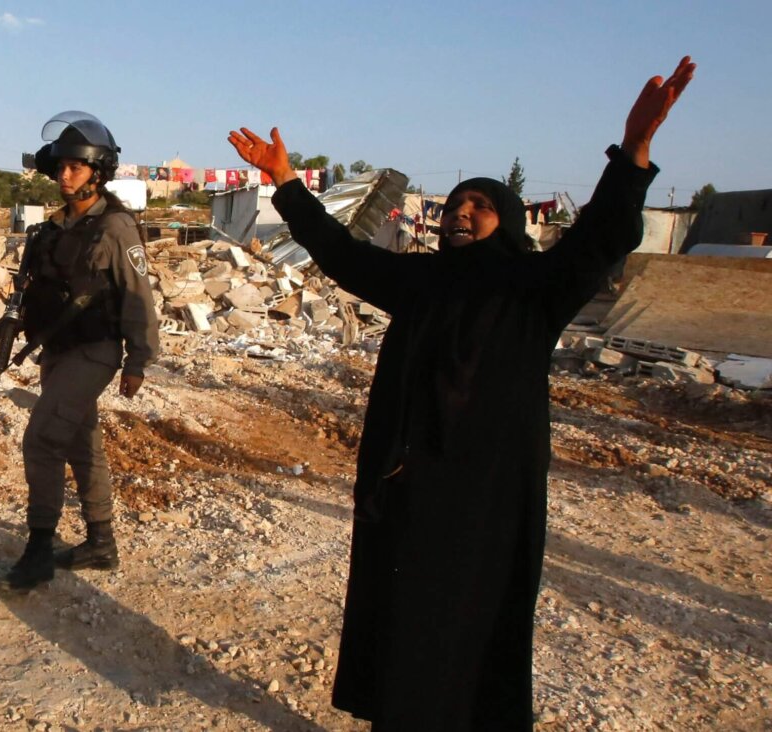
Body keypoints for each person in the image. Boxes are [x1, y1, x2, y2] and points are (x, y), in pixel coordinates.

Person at [229, 57, 694, 730]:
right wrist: (285, 183)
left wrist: (634, 150)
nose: (461, 212)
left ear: (504, 220)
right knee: (403, 617)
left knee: (470, 622)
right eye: (454, 204)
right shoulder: (420, 282)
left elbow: (602, 237)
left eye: (478, 205)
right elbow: (339, 250)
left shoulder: (536, 289)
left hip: (486, 498)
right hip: (407, 483)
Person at [0, 111, 159, 591]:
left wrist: (139, 359)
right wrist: (4, 325)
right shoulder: (49, 231)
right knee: (81, 441)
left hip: (95, 350)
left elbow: (138, 296)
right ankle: (101, 542)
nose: (64, 175)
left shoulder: (116, 228)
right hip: (55, 350)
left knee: (41, 439)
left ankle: (40, 546)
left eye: (76, 167)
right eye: (60, 166)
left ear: (96, 174)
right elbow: (33, 290)